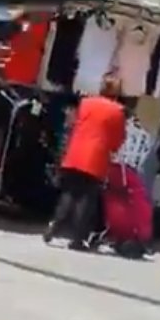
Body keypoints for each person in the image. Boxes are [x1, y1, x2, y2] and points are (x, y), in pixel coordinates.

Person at [46, 73, 128, 250]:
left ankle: (55, 224)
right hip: (95, 158)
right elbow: (118, 139)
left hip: (75, 153)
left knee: (68, 193)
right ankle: (77, 239)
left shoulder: (86, 102)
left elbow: (76, 123)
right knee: (86, 199)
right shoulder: (118, 111)